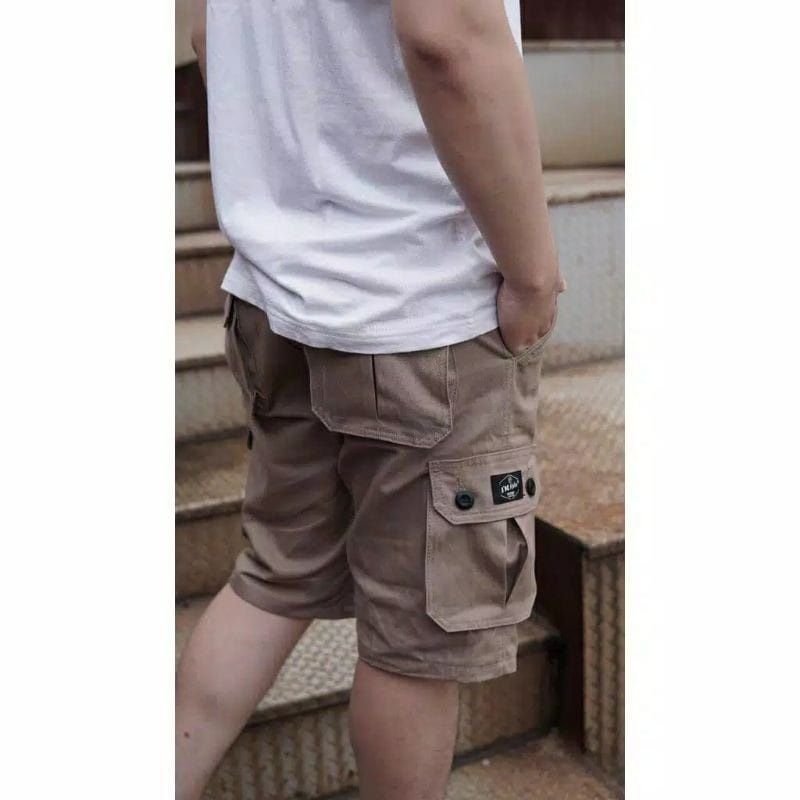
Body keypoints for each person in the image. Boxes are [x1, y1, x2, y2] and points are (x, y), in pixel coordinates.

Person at [176, 1, 566, 798]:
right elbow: (446, 33)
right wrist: (532, 273)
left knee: (272, 580)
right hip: (417, 305)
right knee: (416, 642)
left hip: (277, 296)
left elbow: (208, 32)